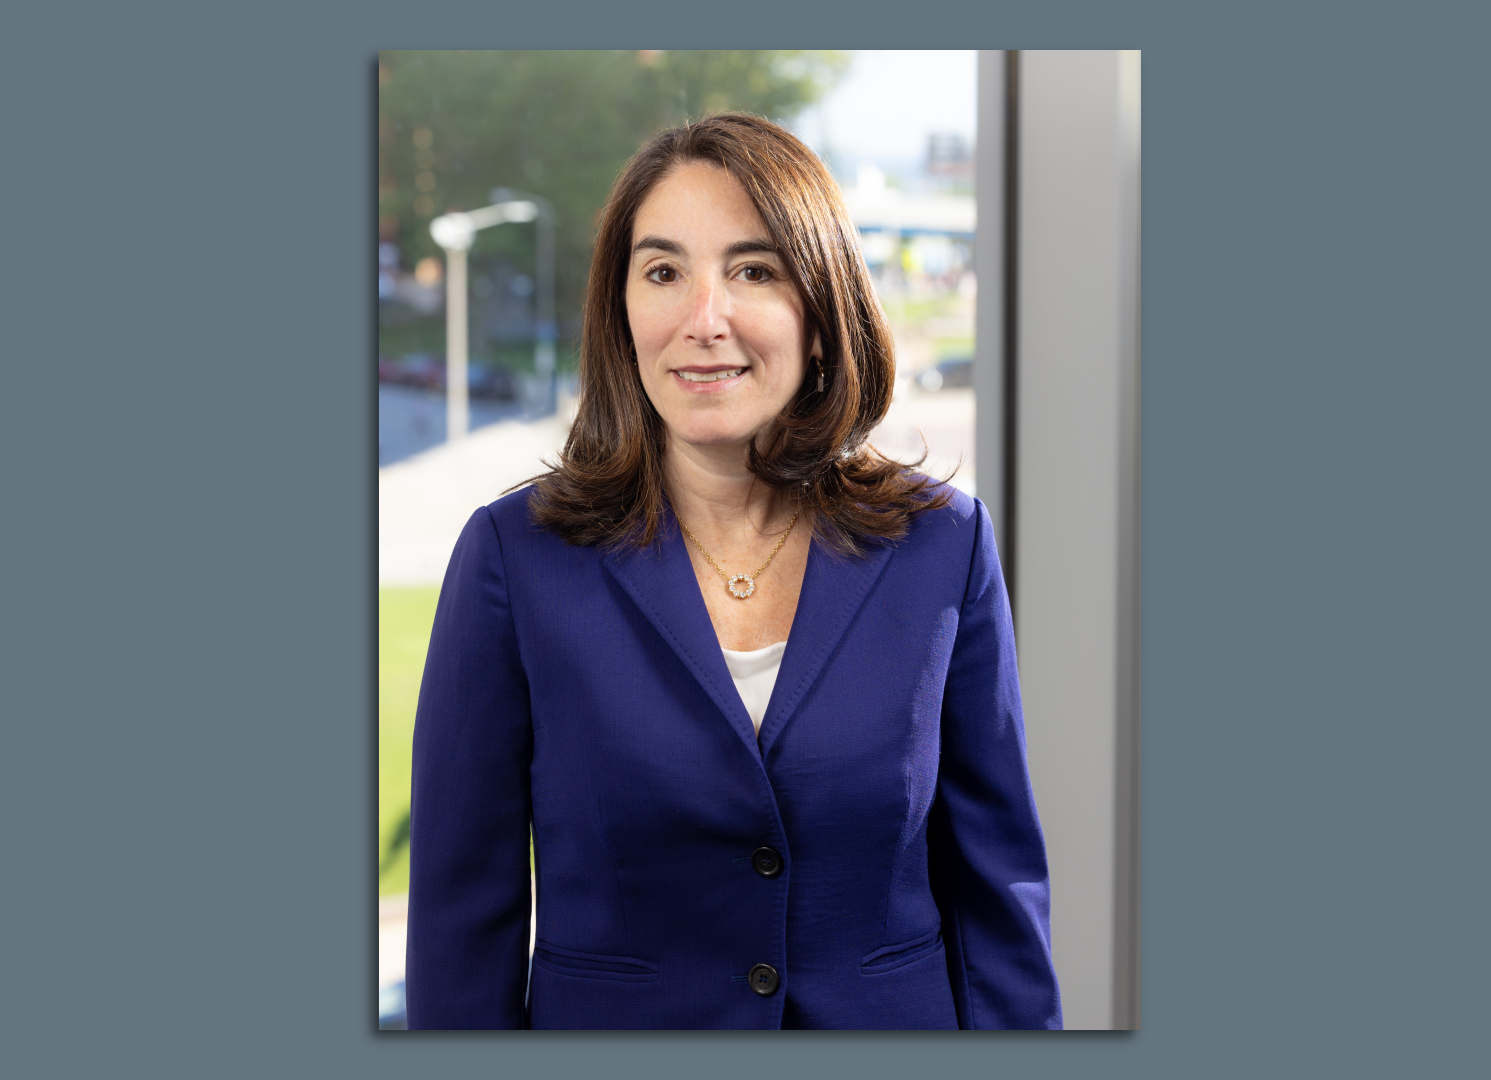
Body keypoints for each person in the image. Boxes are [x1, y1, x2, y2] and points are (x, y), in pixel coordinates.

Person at [405, 113, 1060, 1030]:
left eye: (753, 271)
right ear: (621, 310)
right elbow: (459, 928)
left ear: (823, 315)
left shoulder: (942, 546)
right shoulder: (515, 559)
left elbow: (1001, 898)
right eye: (664, 272)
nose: (701, 319)